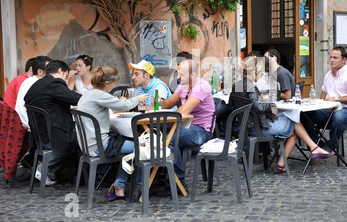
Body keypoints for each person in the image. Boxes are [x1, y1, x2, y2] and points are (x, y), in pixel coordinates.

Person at [231, 57, 334, 174]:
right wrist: (267, 99)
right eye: (260, 73)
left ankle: (308, 151)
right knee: (293, 121)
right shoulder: (251, 87)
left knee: (292, 126)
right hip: (258, 129)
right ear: (255, 72)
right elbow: (259, 108)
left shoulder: (237, 86)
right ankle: (309, 151)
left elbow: (231, 106)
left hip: (246, 128)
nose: (260, 76)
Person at [76, 65, 147, 200]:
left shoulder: (90, 94)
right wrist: (138, 98)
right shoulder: (100, 95)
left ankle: (119, 185)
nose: (115, 86)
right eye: (115, 84)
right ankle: (140, 188)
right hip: (99, 147)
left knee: (131, 146)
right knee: (141, 148)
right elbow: (124, 106)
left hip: (88, 145)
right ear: (107, 83)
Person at [24, 60, 82, 183]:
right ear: (60, 70)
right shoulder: (54, 83)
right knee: (85, 141)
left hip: (40, 137)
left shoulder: (39, 84)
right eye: (66, 76)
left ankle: (57, 171)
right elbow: (77, 99)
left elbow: (51, 102)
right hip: (53, 138)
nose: (65, 79)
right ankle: (46, 168)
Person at [161, 57, 215, 187]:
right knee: (156, 133)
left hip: (201, 131)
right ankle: (160, 175)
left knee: (172, 138)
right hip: (186, 126)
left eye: (181, 74)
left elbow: (182, 112)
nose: (178, 77)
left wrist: (167, 113)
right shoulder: (183, 85)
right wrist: (159, 100)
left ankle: (178, 182)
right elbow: (167, 104)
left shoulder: (201, 86)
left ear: (193, 75)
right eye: (177, 73)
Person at [300, 46, 347, 150]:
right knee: (303, 114)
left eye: (335, 58)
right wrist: (318, 104)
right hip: (327, 111)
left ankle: (331, 146)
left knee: (339, 117)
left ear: (343, 60)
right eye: (330, 57)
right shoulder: (328, 75)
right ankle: (317, 144)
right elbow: (324, 92)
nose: (331, 60)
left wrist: (336, 99)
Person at [15, 56, 52, 129]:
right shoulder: (35, 84)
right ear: (40, 71)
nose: (52, 72)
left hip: (29, 124)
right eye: (49, 69)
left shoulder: (30, 81)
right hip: (30, 127)